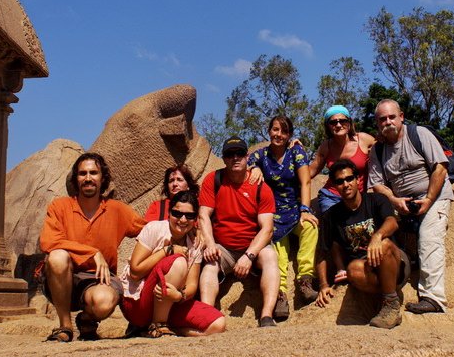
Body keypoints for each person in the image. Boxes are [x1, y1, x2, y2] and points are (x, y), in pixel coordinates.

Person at [40, 152, 145, 342]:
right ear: (76, 178)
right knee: (57, 256)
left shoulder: (116, 209)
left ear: (102, 178)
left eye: (93, 173)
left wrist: (186, 227)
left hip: (99, 279)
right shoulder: (59, 206)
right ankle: (65, 327)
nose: (88, 178)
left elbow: (148, 230)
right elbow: (49, 242)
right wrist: (92, 253)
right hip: (64, 278)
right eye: (82, 173)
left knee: (104, 303)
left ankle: (86, 320)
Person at [367, 99, 454, 314]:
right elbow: (376, 184)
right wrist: (394, 200)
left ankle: (434, 299)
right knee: (379, 227)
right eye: (382, 119)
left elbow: (441, 168)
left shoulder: (420, 134)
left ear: (401, 117)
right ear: (377, 124)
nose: (387, 122)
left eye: (391, 117)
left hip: (433, 196)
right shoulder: (377, 150)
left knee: (428, 237)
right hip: (401, 201)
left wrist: (429, 199)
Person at [198, 136, 281, 327]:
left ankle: (267, 316)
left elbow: (267, 229)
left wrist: (249, 256)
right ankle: (206, 316)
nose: (235, 158)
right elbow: (204, 215)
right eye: (229, 154)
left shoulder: (261, 187)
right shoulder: (214, 180)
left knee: (270, 256)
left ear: (247, 156)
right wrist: (210, 245)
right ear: (224, 158)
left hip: (252, 247)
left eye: (240, 153)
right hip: (223, 247)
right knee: (210, 264)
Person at [120, 191, 226, 337]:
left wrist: (179, 296)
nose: (182, 220)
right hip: (139, 304)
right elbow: (135, 271)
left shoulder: (195, 242)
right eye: (177, 213)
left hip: (171, 303)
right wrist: (167, 250)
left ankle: (168, 330)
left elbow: (192, 285)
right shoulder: (155, 229)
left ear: (195, 219)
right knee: (179, 261)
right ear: (169, 213)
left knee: (218, 324)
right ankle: (159, 325)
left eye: (189, 216)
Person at [315, 159, 404, 329]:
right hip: (366, 270)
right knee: (353, 269)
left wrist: (377, 236)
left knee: (384, 245)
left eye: (349, 179)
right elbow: (323, 252)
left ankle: (392, 305)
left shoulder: (377, 200)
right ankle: (387, 296)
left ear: (358, 179)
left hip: (393, 262)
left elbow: (392, 222)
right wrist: (324, 285)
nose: (346, 184)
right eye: (340, 181)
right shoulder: (331, 216)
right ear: (335, 186)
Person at [247, 115, 318, 315]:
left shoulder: (296, 151)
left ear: (289, 135)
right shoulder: (260, 156)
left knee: (311, 228)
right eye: (275, 130)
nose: (279, 134)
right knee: (276, 246)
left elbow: (305, 182)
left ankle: (305, 281)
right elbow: (247, 161)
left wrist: (305, 210)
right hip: (273, 213)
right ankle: (280, 295)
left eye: (284, 131)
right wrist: (254, 168)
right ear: (269, 131)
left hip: (295, 209)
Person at [309, 105, 376, 213]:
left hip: (358, 197)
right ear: (328, 126)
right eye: (333, 122)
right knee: (335, 225)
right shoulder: (326, 146)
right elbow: (311, 171)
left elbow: (384, 149)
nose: (338, 125)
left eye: (343, 121)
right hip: (332, 197)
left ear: (349, 123)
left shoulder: (364, 139)